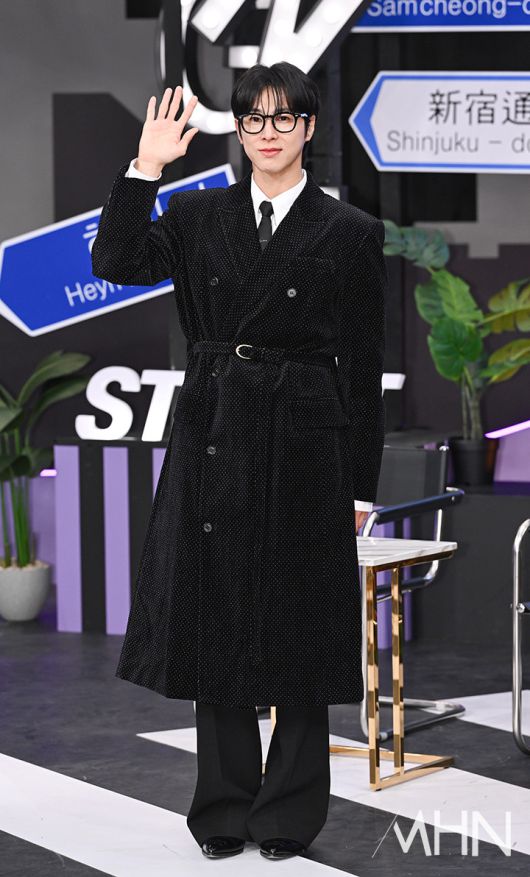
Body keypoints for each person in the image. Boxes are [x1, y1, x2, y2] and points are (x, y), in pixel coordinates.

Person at [92, 61, 387, 861]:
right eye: (254, 118)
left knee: (299, 626)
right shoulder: (197, 216)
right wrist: (146, 166)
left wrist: (360, 488)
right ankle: (222, 808)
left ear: (309, 128)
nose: (268, 133)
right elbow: (114, 262)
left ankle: (288, 813)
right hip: (215, 426)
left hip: (306, 439)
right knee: (214, 619)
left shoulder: (350, 231)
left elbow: (363, 370)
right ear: (240, 129)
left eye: (284, 118)